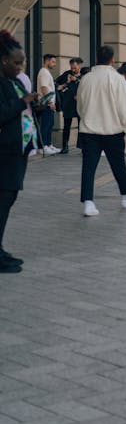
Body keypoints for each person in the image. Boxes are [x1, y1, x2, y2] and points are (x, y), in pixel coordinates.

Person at [77, 46, 126, 217]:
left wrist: (86, 118)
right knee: (118, 164)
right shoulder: (117, 79)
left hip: (89, 130)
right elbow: (124, 108)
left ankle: (88, 202)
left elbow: (80, 106)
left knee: (88, 167)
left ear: (96, 57)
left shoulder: (86, 79)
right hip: (112, 130)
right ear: (112, 59)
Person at [0, 31, 38, 272]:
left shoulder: (13, 81)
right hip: (4, 153)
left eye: (22, 62)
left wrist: (35, 104)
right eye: (17, 62)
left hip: (17, 151)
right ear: (3, 61)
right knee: (3, 201)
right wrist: (22, 102)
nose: (21, 66)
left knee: (8, 198)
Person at [56, 57, 84, 153]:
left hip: (80, 104)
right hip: (68, 103)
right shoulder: (67, 74)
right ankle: (65, 146)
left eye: (75, 68)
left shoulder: (84, 75)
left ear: (79, 65)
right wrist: (66, 83)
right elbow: (56, 83)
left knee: (82, 126)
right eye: (71, 67)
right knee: (66, 126)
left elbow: (87, 85)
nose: (73, 70)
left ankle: (81, 147)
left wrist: (76, 79)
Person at [35, 52, 59, 155]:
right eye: (53, 62)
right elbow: (44, 88)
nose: (54, 64)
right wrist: (50, 102)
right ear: (47, 61)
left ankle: (48, 145)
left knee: (49, 125)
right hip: (46, 104)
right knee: (45, 125)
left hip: (48, 103)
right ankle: (43, 146)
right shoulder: (44, 72)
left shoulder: (46, 72)